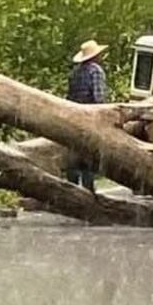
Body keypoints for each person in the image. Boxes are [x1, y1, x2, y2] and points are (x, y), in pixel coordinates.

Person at [65, 39, 109, 192]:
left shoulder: (74, 73)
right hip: (91, 117)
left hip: (74, 116)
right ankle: (88, 190)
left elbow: (69, 96)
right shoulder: (95, 71)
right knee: (89, 156)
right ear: (95, 56)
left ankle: (71, 188)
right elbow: (99, 97)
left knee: (75, 153)